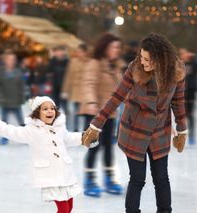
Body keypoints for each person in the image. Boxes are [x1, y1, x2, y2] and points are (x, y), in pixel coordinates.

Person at [83, 33, 188, 213]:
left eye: (148, 59)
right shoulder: (135, 69)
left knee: (161, 178)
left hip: (159, 132)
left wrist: (182, 129)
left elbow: (178, 102)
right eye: (141, 57)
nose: (143, 62)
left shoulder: (176, 73)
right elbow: (116, 98)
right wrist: (95, 125)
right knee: (138, 178)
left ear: (160, 59)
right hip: (135, 131)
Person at [0, 96, 95, 213]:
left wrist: (83, 137)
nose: (50, 111)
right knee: (63, 209)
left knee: (69, 207)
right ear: (37, 113)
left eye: (52, 108)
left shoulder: (59, 128)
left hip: (65, 172)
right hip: (50, 174)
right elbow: (11, 131)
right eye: (45, 109)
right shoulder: (32, 131)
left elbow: (68, 138)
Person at [79, 33, 126, 197]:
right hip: (94, 114)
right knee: (94, 148)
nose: (117, 50)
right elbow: (88, 84)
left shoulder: (115, 66)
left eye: (119, 47)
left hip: (110, 114)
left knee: (108, 148)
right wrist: (91, 102)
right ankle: (89, 180)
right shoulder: (94, 63)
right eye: (114, 47)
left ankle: (109, 179)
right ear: (105, 47)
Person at [0, 50, 25, 145]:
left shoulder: (18, 72)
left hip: (16, 100)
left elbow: (21, 86)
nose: (11, 61)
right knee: (4, 121)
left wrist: (22, 98)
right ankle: (5, 137)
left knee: (20, 120)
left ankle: (26, 136)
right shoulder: (1, 72)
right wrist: (0, 97)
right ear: (5, 61)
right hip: (5, 101)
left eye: (13, 60)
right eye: (9, 59)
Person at [61, 43, 91, 132]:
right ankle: (75, 129)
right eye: (77, 51)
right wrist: (65, 90)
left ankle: (86, 130)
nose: (78, 53)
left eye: (80, 52)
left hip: (86, 92)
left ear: (85, 52)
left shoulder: (90, 62)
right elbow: (68, 76)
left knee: (86, 113)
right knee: (75, 112)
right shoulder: (73, 61)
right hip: (75, 91)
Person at [179, 48, 197, 145]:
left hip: (191, 92)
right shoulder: (178, 64)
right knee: (181, 116)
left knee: (190, 115)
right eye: (181, 54)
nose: (184, 55)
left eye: (185, 53)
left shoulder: (194, 63)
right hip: (181, 92)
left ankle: (192, 136)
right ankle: (181, 136)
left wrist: (194, 56)